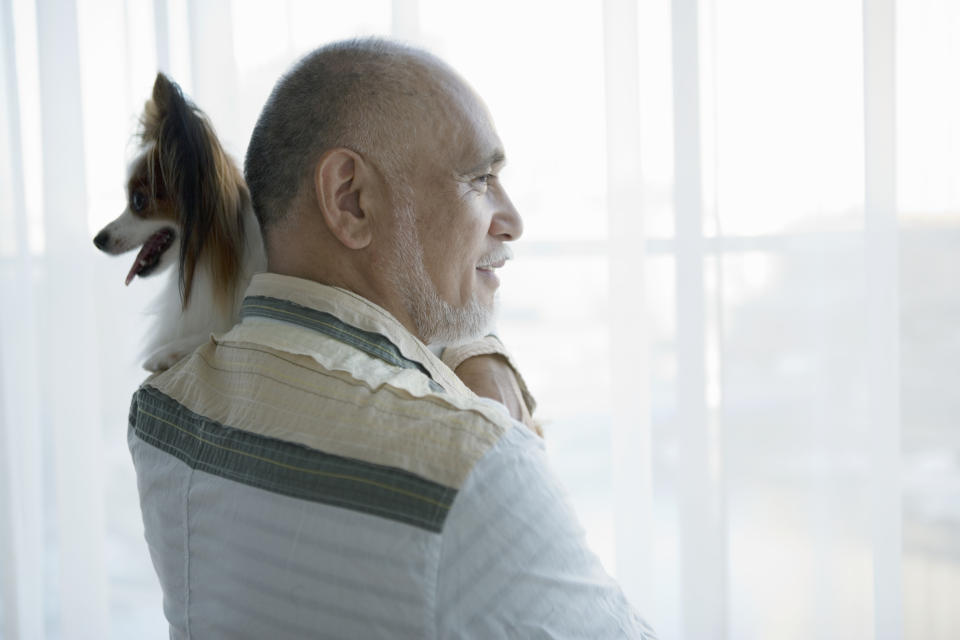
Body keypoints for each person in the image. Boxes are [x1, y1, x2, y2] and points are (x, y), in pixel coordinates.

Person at [128, 37, 656, 639]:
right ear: (349, 199)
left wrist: (468, 346)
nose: (512, 220)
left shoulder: (163, 412)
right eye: (480, 179)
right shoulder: (474, 467)